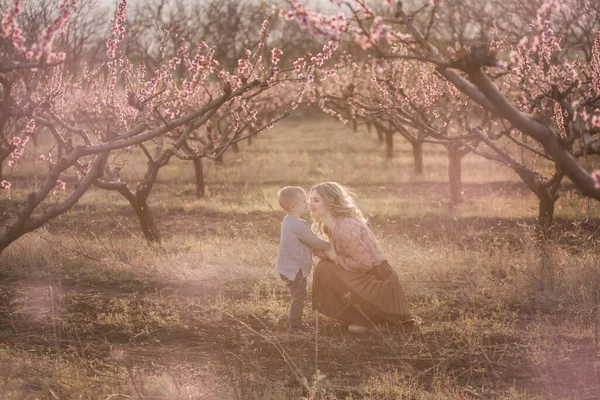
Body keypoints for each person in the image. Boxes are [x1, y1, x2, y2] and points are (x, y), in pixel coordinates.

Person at [309, 182, 415, 333]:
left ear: (330, 203)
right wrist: (325, 255)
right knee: (324, 267)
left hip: (380, 281)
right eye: (310, 200)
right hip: (367, 276)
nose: (310, 204)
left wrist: (333, 257)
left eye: (316, 200)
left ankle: (375, 319)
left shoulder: (345, 227)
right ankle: (360, 318)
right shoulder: (332, 226)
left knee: (326, 269)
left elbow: (365, 264)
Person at [275, 186, 336, 333]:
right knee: (299, 296)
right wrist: (330, 246)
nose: (307, 204)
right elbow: (313, 241)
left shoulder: (288, 221)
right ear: (293, 206)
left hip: (288, 267)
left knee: (297, 295)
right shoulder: (297, 224)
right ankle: (295, 326)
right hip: (294, 269)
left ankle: (294, 322)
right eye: (304, 201)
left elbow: (304, 243)